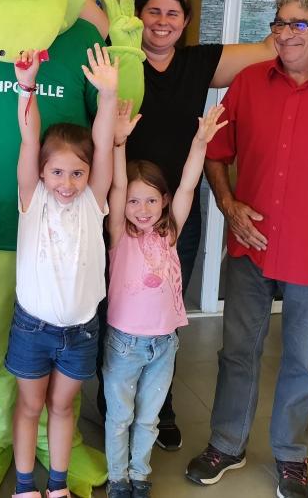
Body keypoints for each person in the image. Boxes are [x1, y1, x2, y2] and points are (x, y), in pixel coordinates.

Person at [88, 0, 308, 448]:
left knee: (164, 308)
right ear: (137, 17)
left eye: (173, 13)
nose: (162, 21)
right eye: (153, 11)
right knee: (114, 307)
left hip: (175, 212)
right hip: (116, 207)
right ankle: (112, 404)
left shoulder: (200, 63)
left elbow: (281, 46)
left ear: (185, 22)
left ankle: (161, 405)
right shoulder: (115, 51)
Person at [186, 0, 308, 498]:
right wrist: (228, 204)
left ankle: (291, 456)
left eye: (297, 24)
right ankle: (227, 443)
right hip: (250, 244)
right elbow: (216, 152)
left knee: (304, 360)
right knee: (238, 351)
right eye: (279, 23)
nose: (283, 34)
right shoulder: (249, 83)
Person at [8, 46, 118, 498]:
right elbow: (29, 139)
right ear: (41, 172)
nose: (67, 183)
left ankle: (57, 485)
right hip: (32, 328)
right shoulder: (33, 199)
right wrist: (26, 87)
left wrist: (107, 97)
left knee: (62, 406)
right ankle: (24, 486)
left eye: (77, 173)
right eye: (57, 172)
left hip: (81, 330)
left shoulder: (94, 201)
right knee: (30, 406)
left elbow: (104, 145)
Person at [102, 102, 226, 498]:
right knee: (120, 417)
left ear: (164, 201)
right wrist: (119, 144)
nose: (142, 210)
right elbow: (116, 187)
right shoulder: (119, 234)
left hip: (164, 344)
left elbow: (189, 185)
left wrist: (200, 142)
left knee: (148, 419)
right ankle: (118, 478)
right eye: (134, 201)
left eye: (152, 200)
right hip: (124, 343)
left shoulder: (169, 233)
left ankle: (139, 474)